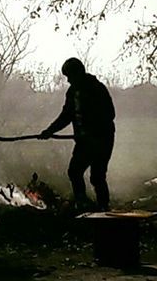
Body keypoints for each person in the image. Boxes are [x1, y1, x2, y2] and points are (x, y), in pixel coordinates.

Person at [39, 58, 115, 211]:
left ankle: (103, 208)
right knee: (75, 172)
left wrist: (93, 133)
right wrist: (49, 131)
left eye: (70, 76)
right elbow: (66, 116)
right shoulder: (72, 92)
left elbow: (109, 114)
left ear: (78, 72)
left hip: (102, 140)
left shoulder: (97, 89)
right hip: (84, 142)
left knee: (97, 176)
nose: (68, 80)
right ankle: (82, 204)